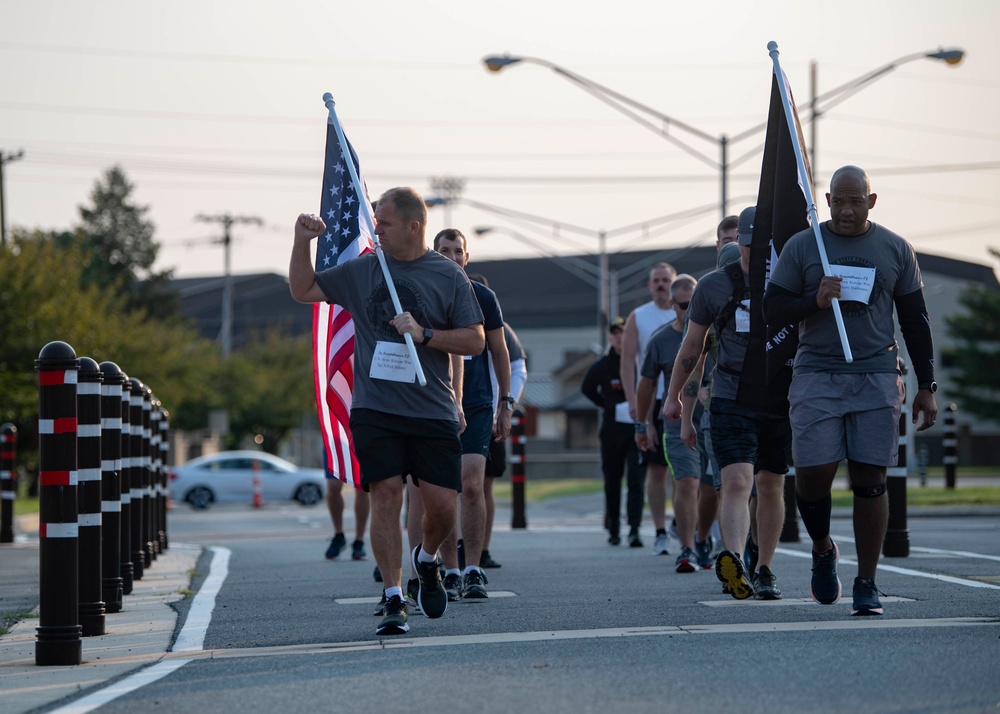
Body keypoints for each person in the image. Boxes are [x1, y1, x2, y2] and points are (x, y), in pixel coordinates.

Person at [289, 187, 485, 635]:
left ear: (414, 227)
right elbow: (303, 289)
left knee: (442, 508)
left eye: (386, 222)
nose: (376, 228)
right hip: (375, 406)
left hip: (432, 407)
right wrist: (303, 240)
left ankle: (428, 559)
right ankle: (394, 595)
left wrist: (426, 334)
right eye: (375, 220)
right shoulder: (364, 271)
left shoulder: (448, 275)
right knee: (386, 493)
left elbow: (474, 339)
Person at [763, 165, 937, 616]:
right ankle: (823, 548)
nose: (845, 209)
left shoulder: (895, 248)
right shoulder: (806, 246)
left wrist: (927, 385)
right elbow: (773, 309)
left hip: (877, 374)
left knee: (870, 478)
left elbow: (915, 320)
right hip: (817, 374)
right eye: (837, 200)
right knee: (814, 473)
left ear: (870, 201)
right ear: (826, 201)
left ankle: (867, 581)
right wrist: (813, 301)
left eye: (855, 201)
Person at [664, 207, 790, 601]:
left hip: (778, 397)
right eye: (744, 245)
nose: (751, 253)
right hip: (731, 397)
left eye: (758, 245)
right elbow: (692, 347)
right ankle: (734, 559)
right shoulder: (713, 287)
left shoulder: (789, 279)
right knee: (736, 482)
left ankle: (765, 567)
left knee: (770, 484)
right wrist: (674, 399)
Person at [430, 229, 512, 600]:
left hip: (477, 403)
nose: (450, 256)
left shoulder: (483, 297)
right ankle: (449, 570)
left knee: (473, 483)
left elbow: (500, 352)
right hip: (433, 404)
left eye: (456, 251)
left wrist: (505, 403)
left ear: (467, 257)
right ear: (433, 254)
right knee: (444, 491)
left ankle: (474, 568)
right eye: (443, 250)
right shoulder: (424, 292)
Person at [635, 275, 701, 572]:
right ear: (673, 305)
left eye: (695, 303)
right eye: (684, 305)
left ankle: (706, 540)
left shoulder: (716, 333)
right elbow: (647, 385)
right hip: (674, 422)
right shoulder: (660, 340)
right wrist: (643, 423)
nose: (690, 310)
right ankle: (687, 549)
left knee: (712, 488)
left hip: (714, 418)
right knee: (685, 481)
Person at [620, 262, 677, 552]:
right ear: (649, 285)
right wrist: (634, 402)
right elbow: (628, 361)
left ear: (674, 283)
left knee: (685, 471)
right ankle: (659, 531)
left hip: (682, 398)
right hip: (651, 400)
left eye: (666, 280)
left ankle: (684, 525)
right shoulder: (638, 317)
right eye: (656, 280)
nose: (660, 285)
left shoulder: (688, 312)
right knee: (656, 469)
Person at [581, 316, 647, 546]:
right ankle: (614, 527)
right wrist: (607, 404)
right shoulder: (603, 365)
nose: (620, 338)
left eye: (623, 333)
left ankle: (635, 528)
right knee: (612, 480)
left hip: (636, 429)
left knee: (636, 480)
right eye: (615, 333)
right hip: (612, 430)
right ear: (611, 337)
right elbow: (587, 388)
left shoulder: (640, 362)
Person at [481, 315, 528, 569]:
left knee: (484, 485)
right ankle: (451, 550)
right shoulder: (445, 317)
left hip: (489, 418)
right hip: (451, 417)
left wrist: (505, 407)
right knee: (453, 488)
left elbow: (519, 367)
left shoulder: (499, 328)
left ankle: (482, 550)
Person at [323, 463, 370, 561]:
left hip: (359, 447)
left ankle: (359, 541)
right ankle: (339, 535)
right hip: (337, 446)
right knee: (333, 486)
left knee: (362, 487)